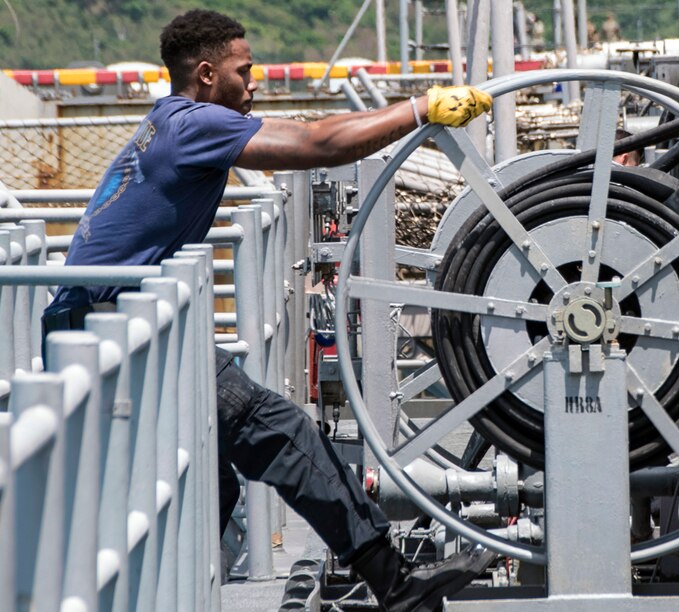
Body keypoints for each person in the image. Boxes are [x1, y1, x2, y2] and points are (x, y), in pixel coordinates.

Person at [40, 9, 495, 612]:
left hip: (108, 322)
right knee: (278, 431)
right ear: (206, 74)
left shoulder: (175, 120)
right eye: (243, 70)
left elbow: (319, 127)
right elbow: (316, 144)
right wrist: (422, 109)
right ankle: (394, 585)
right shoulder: (197, 125)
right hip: (114, 329)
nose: (254, 83)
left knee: (207, 478)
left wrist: (416, 108)